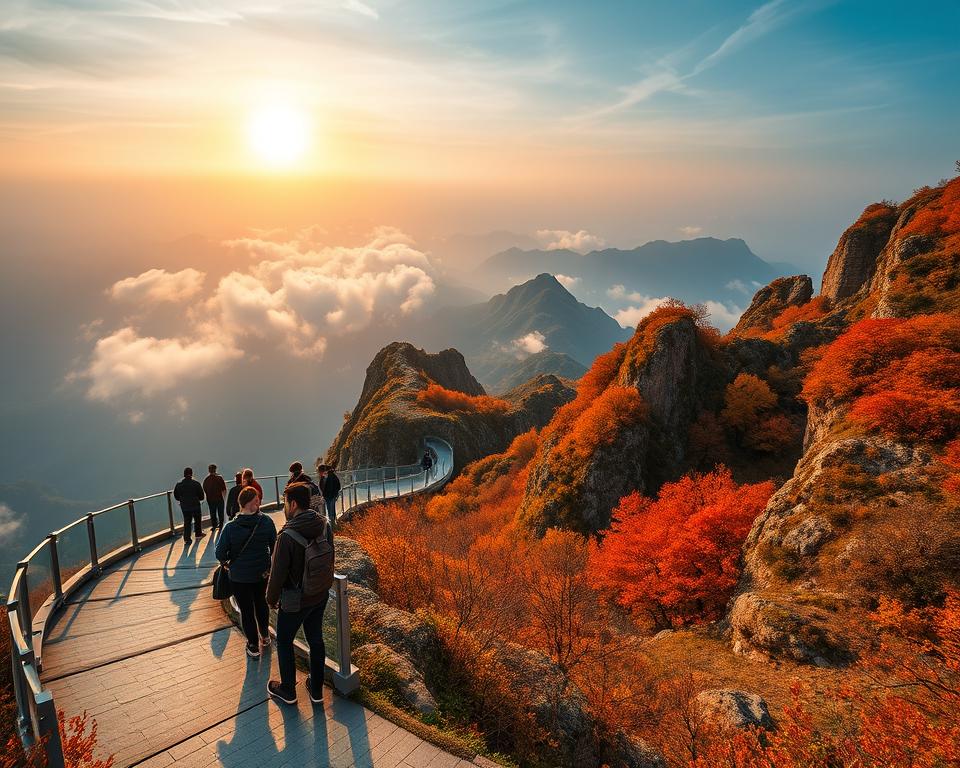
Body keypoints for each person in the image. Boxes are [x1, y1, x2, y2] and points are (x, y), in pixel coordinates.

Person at [266, 483, 333, 705]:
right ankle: (316, 690)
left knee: (284, 640)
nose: (285, 506)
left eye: (285, 502)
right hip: (320, 594)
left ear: (293, 504)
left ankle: (288, 690)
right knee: (316, 639)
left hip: (295, 601)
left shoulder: (287, 535)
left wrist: (271, 600)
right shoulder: (324, 524)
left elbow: (277, 574)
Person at [216, 486, 277, 657]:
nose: (259, 502)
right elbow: (275, 546)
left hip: (239, 577)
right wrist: (269, 567)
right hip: (261, 574)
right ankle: (265, 636)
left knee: (246, 610)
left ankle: (252, 645)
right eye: (257, 500)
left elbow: (219, 553)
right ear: (254, 503)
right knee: (261, 604)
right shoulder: (266, 522)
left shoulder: (230, 528)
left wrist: (228, 564)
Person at [173, 467, 205, 543]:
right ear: (191, 474)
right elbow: (201, 496)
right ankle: (198, 534)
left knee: (187, 522)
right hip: (195, 505)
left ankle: (187, 538)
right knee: (197, 520)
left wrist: (182, 500)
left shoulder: (179, 485)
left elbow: (176, 496)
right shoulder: (196, 484)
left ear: (184, 474)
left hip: (185, 507)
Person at [203, 464, 227, 530]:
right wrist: (224, 498)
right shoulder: (219, 478)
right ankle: (221, 525)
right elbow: (224, 489)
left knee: (212, 512)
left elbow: (204, 489)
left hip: (210, 499)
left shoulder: (206, 479)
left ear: (209, 470)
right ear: (215, 469)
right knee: (220, 512)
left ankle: (214, 525)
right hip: (219, 498)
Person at [318, 464, 341, 528]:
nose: (318, 473)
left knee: (330, 511)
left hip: (329, 497)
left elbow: (325, 487)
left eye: (319, 471)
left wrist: (327, 495)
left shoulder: (327, 477)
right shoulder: (331, 475)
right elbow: (338, 485)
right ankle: (333, 525)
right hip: (330, 496)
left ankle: (332, 527)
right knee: (331, 510)